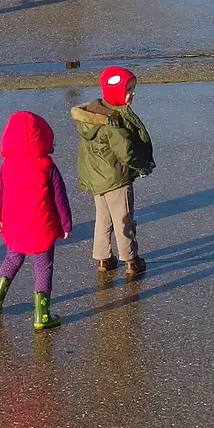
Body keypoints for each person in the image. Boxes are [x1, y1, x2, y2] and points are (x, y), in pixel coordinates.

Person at [0, 110, 74, 330]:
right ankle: (42, 315)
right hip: (41, 226)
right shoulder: (48, 167)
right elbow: (60, 198)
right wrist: (65, 224)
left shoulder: (7, 166)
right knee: (43, 267)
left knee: (12, 259)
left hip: (14, 226)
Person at [71, 66, 154, 279]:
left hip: (98, 180)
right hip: (117, 180)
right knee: (124, 219)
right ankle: (131, 260)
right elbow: (126, 153)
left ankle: (103, 258)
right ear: (116, 92)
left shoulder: (91, 116)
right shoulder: (113, 122)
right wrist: (143, 166)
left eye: (133, 89)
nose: (132, 94)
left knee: (103, 218)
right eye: (128, 90)